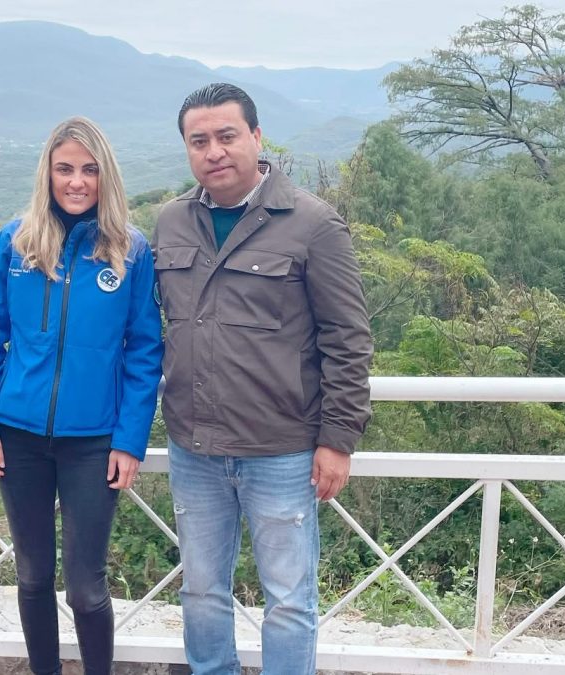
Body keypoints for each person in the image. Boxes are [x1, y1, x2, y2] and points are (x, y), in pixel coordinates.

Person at [153, 83, 372, 674]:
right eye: (199, 141)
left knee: (289, 600)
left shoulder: (312, 224)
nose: (214, 151)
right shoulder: (171, 222)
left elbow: (348, 339)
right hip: (192, 447)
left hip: (282, 450)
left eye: (227, 136)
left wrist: (338, 440)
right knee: (199, 591)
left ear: (256, 136)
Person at [0, 116, 163, 675]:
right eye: (64, 169)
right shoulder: (16, 243)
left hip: (93, 443)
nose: (76, 181)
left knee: (85, 587)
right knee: (30, 575)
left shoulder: (130, 250)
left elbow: (145, 353)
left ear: (106, 176)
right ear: (47, 175)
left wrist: (129, 441)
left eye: (89, 170)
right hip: (18, 436)